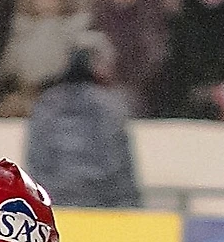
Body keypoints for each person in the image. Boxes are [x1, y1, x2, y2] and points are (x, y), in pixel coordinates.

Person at [24, 32, 140, 205]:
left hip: (54, 206)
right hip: (104, 210)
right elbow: (120, 169)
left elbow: (36, 163)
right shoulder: (111, 105)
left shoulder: (47, 103)